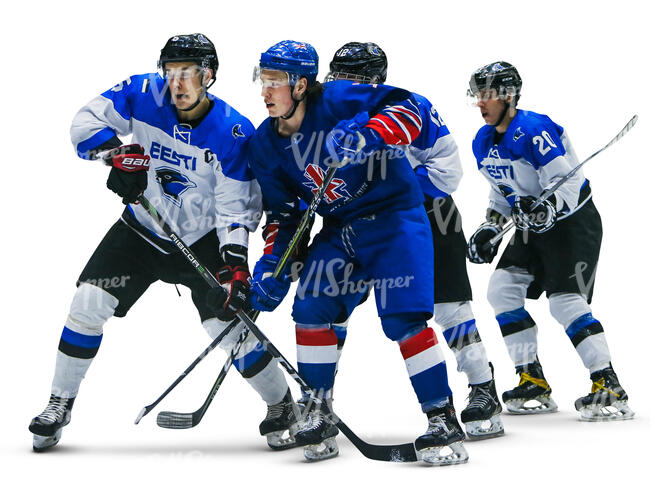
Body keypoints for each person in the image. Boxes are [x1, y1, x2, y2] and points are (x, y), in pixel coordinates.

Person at [28, 34, 298, 452]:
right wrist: (115, 155)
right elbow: (84, 124)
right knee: (87, 304)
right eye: (171, 72)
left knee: (226, 329)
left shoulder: (232, 131)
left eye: (189, 72)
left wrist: (236, 266)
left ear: (209, 75)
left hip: (202, 240)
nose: (178, 83)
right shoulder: (140, 93)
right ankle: (58, 404)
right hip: (141, 230)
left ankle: (282, 405)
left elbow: (236, 208)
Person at [246, 40, 468, 465]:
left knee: (404, 318)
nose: (265, 90)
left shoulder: (339, 97)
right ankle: (318, 410)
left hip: (394, 218)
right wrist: (274, 267)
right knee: (310, 307)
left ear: (301, 84)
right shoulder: (265, 144)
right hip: (341, 229)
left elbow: (410, 109)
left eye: (275, 81)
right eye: (263, 79)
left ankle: (442, 419)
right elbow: (284, 214)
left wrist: (370, 134)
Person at [321, 41, 504, 440]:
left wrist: (391, 191)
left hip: (425, 216)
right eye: (339, 75)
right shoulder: (319, 113)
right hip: (355, 223)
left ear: (375, 80)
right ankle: (320, 403)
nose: (344, 85)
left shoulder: (409, 107)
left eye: (355, 78)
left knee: (449, 307)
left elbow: (448, 173)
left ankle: (482, 387)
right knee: (329, 306)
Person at [466, 61, 634, 421]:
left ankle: (608, 383)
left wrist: (549, 208)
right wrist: (489, 229)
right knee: (501, 290)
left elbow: (568, 183)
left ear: (508, 96)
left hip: (573, 224)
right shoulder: (482, 141)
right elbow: (502, 194)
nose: (481, 103)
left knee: (565, 303)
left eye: (488, 95)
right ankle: (532, 379)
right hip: (532, 227)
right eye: (477, 95)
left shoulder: (534, 129)